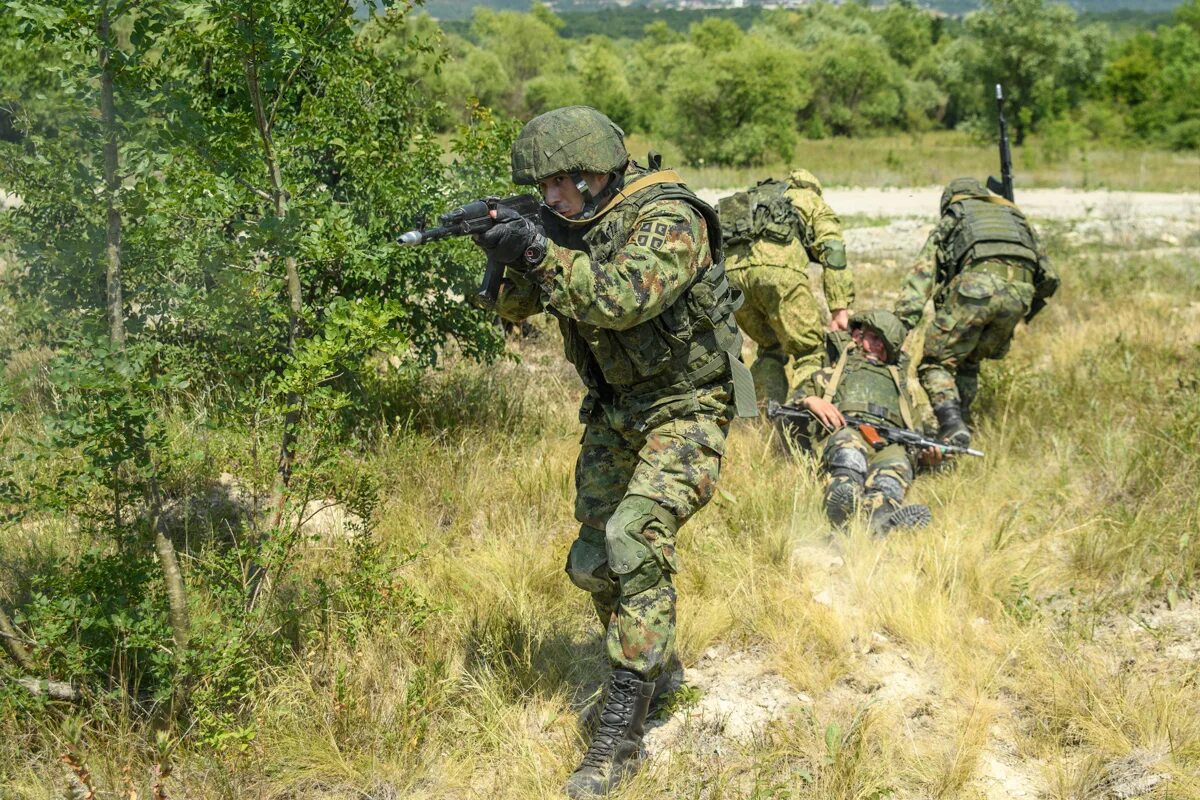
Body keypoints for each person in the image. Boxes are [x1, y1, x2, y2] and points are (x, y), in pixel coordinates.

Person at [474, 106, 756, 798]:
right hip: (615, 413)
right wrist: (507, 255)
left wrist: (540, 251)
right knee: (594, 561)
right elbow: (517, 312)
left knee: (635, 537)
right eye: (540, 191)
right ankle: (648, 663)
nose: (549, 201)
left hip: (686, 408)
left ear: (593, 172)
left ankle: (620, 735)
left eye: (557, 188)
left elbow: (623, 297)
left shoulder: (668, 219)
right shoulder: (565, 226)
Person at [895, 177, 1059, 447]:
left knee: (936, 363)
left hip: (975, 291)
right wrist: (1025, 312)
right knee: (968, 361)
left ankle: (950, 424)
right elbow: (1050, 277)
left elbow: (924, 272)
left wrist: (902, 322)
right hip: (1020, 296)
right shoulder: (1016, 217)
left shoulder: (956, 214)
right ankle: (963, 424)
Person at [785, 310, 936, 535]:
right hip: (847, 431)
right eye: (875, 338)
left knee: (894, 472)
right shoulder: (831, 375)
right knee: (849, 453)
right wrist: (811, 400)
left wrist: (928, 455)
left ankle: (882, 517)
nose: (878, 347)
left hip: (889, 445)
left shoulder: (901, 390)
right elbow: (790, 405)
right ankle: (844, 502)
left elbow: (915, 435)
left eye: (885, 346)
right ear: (857, 335)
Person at [720, 169, 855, 406]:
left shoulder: (755, 197)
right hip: (778, 275)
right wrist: (839, 306)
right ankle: (803, 422)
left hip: (732, 280)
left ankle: (759, 420)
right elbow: (832, 249)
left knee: (770, 347)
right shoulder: (810, 199)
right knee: (809, 351)